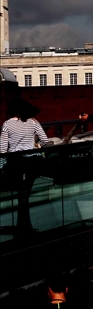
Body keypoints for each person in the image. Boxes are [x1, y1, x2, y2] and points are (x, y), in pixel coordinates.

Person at [1, 97, 48, 234]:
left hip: (16, 162)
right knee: (26, 193)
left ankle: (22, 223)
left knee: (21, 193)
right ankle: (25, 223)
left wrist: (1, 167)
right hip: (33, 162)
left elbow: (3, 149)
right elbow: (45, 141)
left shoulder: (7, 124)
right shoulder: (33, 122)